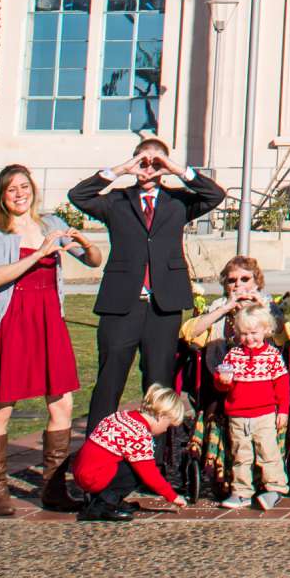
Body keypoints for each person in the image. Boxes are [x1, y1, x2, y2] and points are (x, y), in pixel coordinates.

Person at [68, 136, 227, 427]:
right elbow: (79, 196)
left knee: (159, 383)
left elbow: (215, 195)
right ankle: (98, 450)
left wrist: (177, 170)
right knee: (109, 380)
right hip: (121, 305)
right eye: (144, 161)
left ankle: (154, 457)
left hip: (162, 307)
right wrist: (121, 170)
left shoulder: (178, 202)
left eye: (156, 163)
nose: (149, 168)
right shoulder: (116, 202)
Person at [0, 164, 102, 515]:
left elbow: (94, 261)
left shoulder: (51, 224)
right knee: (3, 404)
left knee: (61, 403)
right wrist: (39, 254)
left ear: (32, 189)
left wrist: (83, 241)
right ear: (2, 197)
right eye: (11, 189)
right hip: (14, 321)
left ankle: (53, 488)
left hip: (50, 320)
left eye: (24, 187)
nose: (19, 194)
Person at [173, 255, 290, 503]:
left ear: (256, 281)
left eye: (245, 279)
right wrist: (224, 308)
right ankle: (237, 485)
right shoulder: (219, 307)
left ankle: (272, 484)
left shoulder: (266, 309)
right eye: (232, 280)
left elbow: (287, 337)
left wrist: (262, 308)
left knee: (265, 443)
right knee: (224, 425)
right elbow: (188, 334)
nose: (238, 285)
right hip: (222, 386)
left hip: (261, 389)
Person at [213, 305, 290, 511]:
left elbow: (283, 386)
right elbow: (222, 384)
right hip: (238, 415)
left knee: (268, 452)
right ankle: (241, 491)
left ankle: (275, 487)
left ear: (266, 330)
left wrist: (283, 410)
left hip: (264, 414)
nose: (249, 338)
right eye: (244, 334)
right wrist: (223, 381)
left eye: (254, 333)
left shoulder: (272, 356)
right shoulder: (233, 356)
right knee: (241, 455)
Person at [75, 385, 193, 523]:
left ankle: (103, 498)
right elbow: (150, 474)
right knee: (139, 471)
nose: (165, 430)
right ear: (161, 416)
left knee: (129, 462)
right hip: (95, 477)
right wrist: (172, 496)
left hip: (83, 471)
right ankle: (104, 504)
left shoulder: (123, 416)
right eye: (168, 425)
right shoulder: (139, 433)